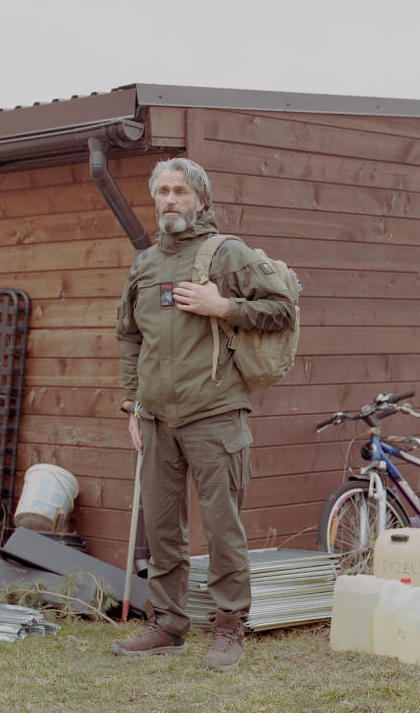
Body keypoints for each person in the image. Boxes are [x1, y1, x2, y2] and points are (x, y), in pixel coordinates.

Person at [111, 157, 295, 671]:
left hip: (215, 413)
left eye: (181, 192)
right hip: (156, 419)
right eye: (163, 191)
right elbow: (128, 335)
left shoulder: (228, 255)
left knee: (222, 527)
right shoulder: (145, 265)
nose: (170, 200)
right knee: (163, 528)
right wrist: (132, 402)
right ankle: (167, 625)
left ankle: (230, 629)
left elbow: (282, 308)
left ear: (201, 200)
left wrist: (226, 308)